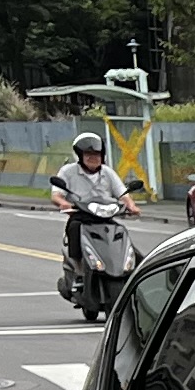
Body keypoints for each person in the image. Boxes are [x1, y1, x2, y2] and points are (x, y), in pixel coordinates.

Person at [45, 132, 142, 315]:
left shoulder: (107, 172)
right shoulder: (68, 172)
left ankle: (135, 273)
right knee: (74, 229)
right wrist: (64, 203)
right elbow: (56, 194)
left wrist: (131, 205)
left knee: (125, 238)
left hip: (105, 217)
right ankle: (80, 272)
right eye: (88, 155)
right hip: (81, 216)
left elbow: (122, 193)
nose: (93, 159)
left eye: (97, 155)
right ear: (80, 157)